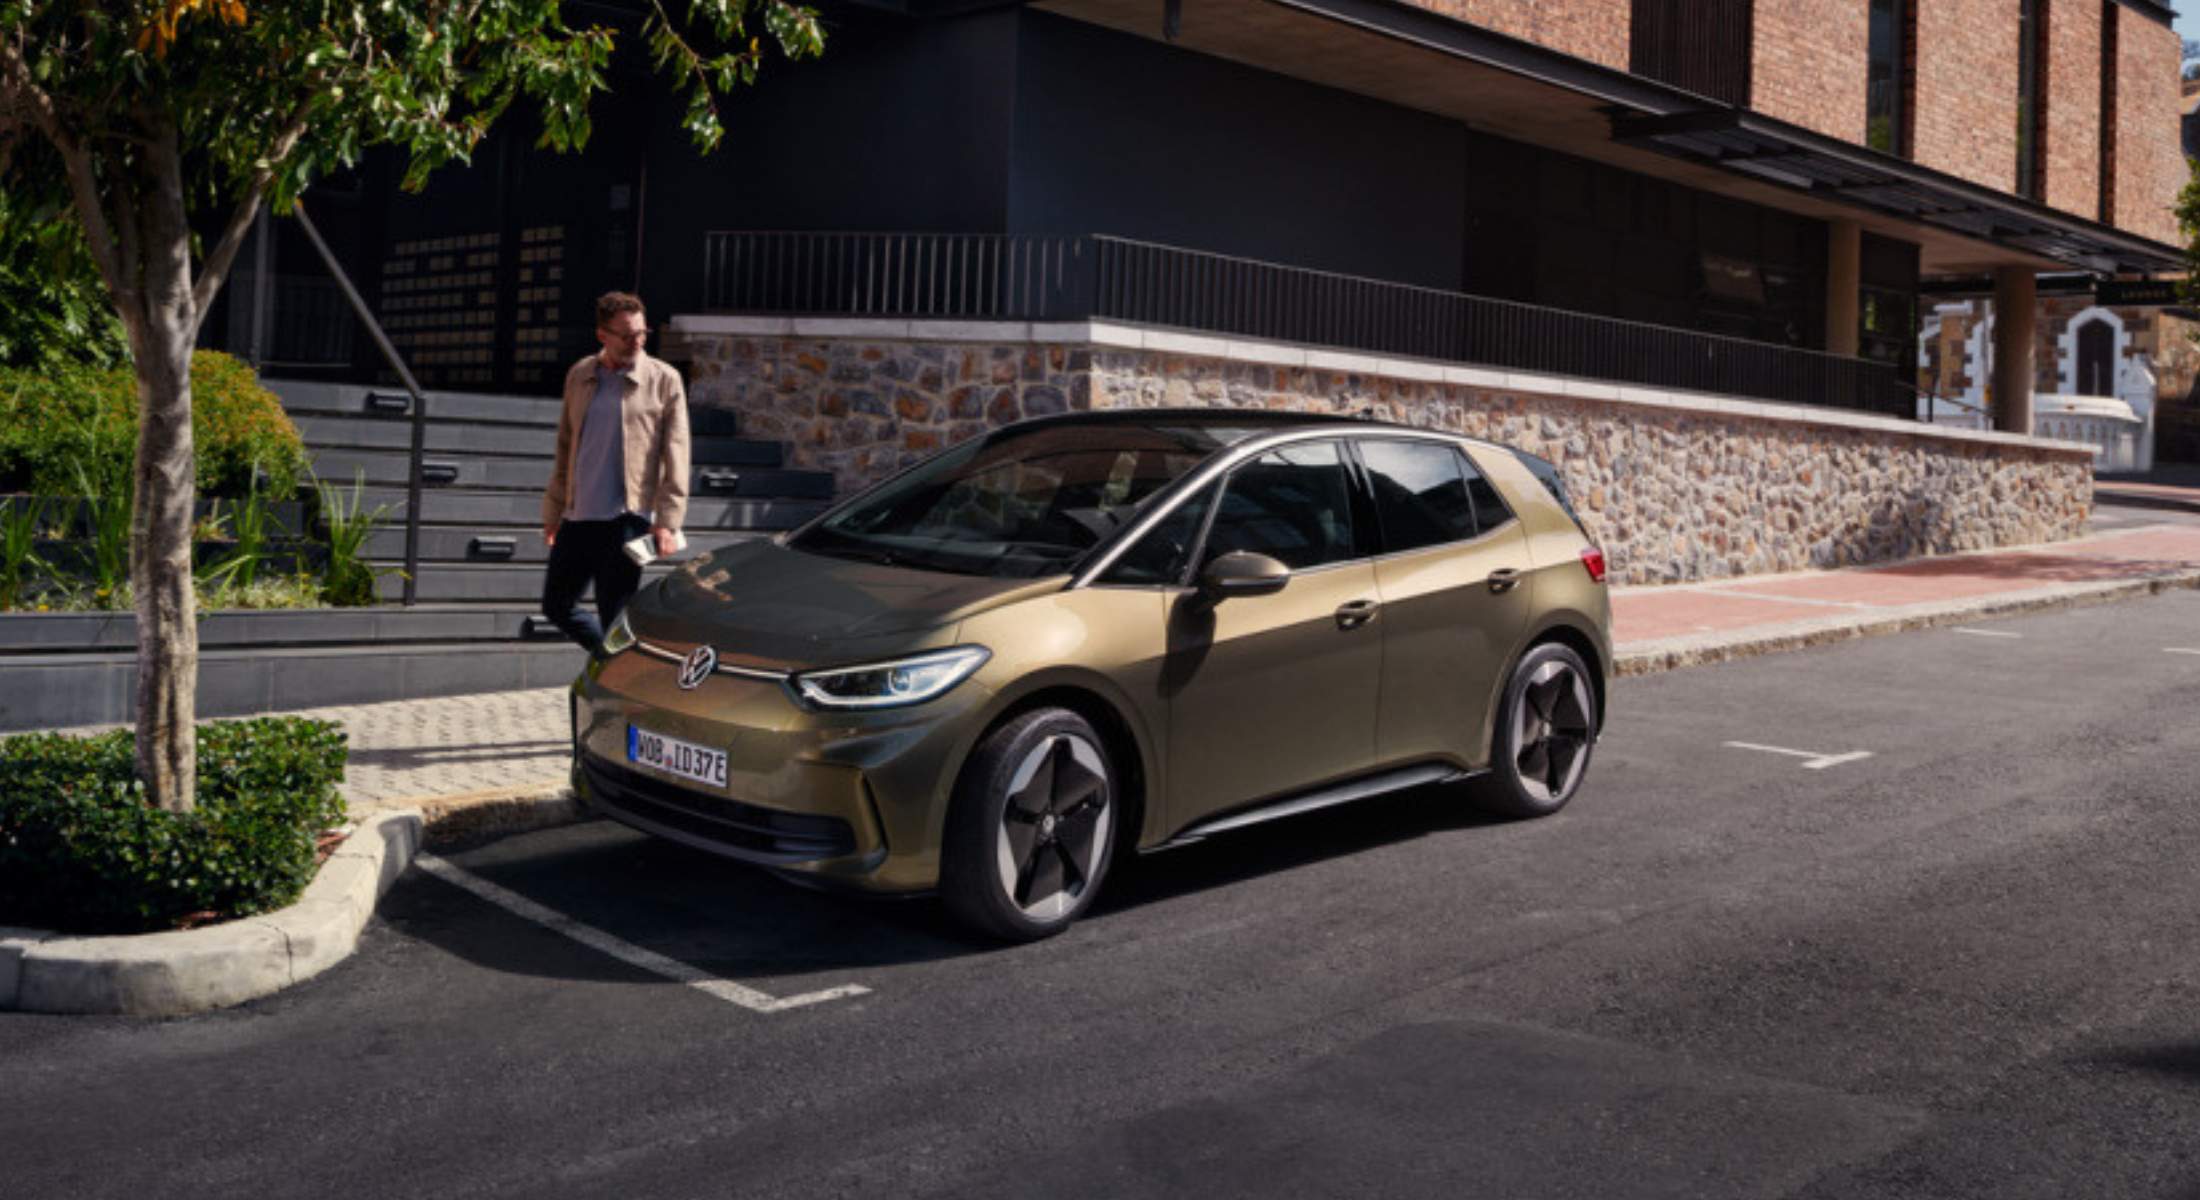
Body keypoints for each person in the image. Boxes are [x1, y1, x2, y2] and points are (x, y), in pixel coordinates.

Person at [540, 291, 691, 656]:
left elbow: (678, 451)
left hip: (627, 518)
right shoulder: (580, 374)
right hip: (578, 515)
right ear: (602, 335)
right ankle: (612, 663)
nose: (637, 341)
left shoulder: (664, 379)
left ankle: (612, 684)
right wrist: (554, 511)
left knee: (615, 616)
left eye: (642, 332)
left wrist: (668, 522)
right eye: (627, 335)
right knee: (556, 605)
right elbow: (565, 446)